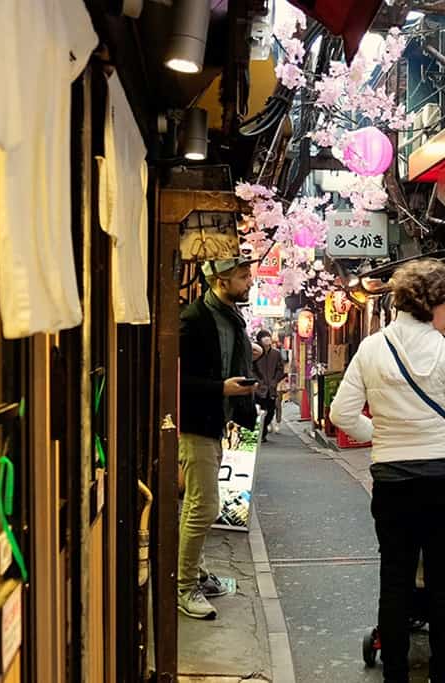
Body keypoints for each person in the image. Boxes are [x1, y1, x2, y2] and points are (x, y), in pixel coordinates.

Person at [330, 259, 445, 683]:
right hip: (443, 481)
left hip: (392, 480)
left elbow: (341, 413)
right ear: (430, 303)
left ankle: (395, 674)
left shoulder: (371, 348)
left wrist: (380, 434)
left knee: (395, 577)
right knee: (444, 579)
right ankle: (440, 676)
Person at [177, 256, 263, 620]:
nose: (249, 283)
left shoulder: (230, 318)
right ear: (221, 279)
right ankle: (184, 587)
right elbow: (175, 378)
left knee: (198, 505)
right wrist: (221, 389)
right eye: (243, 277)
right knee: (204, 508)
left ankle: (194, 572)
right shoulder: (194, 319)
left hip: (215, 424)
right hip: (194, 425)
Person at [252, 329, 285, 442]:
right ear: (259, 340)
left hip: (271, 389)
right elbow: (251, 369)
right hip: (257, 389)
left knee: (270, 411)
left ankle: (263, 430)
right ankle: (259, 434)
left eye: (268, 336)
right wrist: (258, 381)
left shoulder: (276, 354)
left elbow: (280, 369)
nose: (267, 338)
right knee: (257, 411)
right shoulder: (254, 353)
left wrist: (275, 381)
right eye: (264, 336)